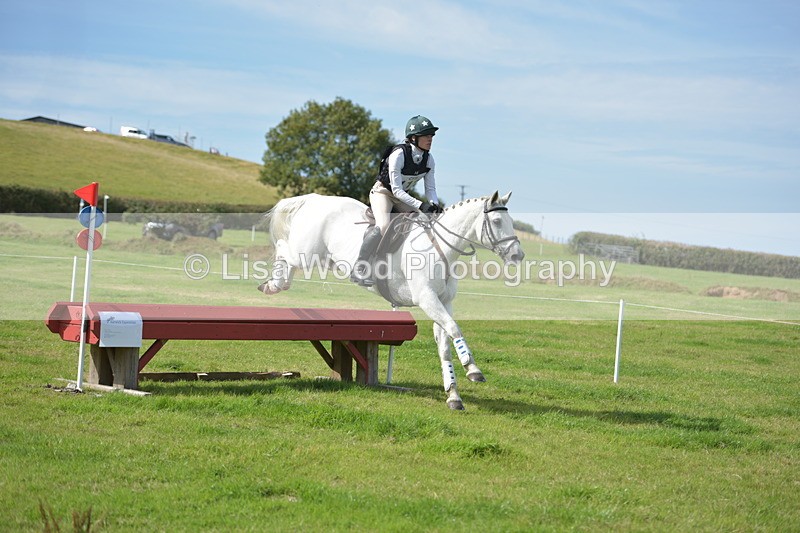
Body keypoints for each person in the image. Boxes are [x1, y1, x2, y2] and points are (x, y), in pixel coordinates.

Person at [351, 114, 444, 286]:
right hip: (383, 193)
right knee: (384, 225)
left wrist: (434, 205)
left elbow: (430, 189)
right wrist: (420, 204)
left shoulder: (429, 159)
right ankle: (360, 267)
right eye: (426, 135)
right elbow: (396, 190)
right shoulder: (399, 154)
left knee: (419, 223)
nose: (430, 139)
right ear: (413, 138)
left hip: (402, 197)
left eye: (431, 135)